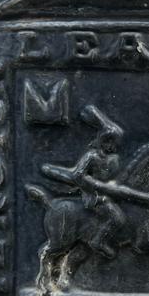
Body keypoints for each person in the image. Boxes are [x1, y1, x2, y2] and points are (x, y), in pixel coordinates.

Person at [43, 105, 125, 257]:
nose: (114, 147)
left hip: (109, 194)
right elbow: (78, 175)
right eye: (112, 143)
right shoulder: (91, 157)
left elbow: (114, 177)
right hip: (94, 197)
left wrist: (114, 185)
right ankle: (99, 241)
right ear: (104, 141)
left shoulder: (113, 160)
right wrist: (94, 184)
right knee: (117, 218)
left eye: (116, 144)